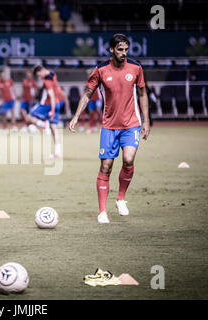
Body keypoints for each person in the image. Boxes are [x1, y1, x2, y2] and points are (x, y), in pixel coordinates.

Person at [69, 33, 150, 224]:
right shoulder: (100, 70)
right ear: (111, 50)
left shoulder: (136, 68)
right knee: (106, 166)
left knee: (128, 160)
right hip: (109, 126)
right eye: (120, 49)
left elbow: (143, 94)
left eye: (126, 50)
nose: (124, 53)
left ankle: (121, 198)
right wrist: (76, 116)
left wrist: (146, 121)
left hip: (131, 124)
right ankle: (102, 211)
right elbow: (87, 94)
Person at [27, 65, 62, 158]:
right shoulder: (53, 74)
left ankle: (43, 125)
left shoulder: (47, 82)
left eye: (39, 75)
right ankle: (58, 152)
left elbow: (51, 95)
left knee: (29, 117)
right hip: (57, 103)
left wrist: (52, 110)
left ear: (41, 71)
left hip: (47, 104)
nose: (39, 77)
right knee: (54, 128)